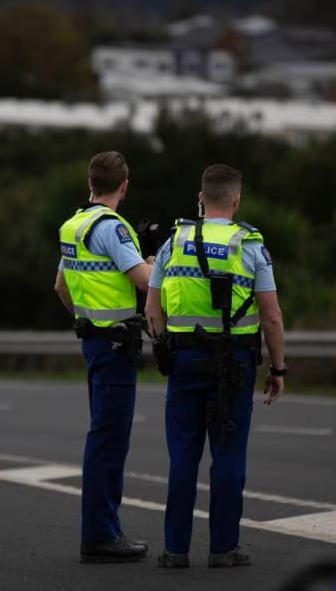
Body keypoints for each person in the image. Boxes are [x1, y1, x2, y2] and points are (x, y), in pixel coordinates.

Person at [145, 163, 287, 568]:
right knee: (228, 454)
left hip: (184, 360)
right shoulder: (250, 246)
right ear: (237, 200)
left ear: (201, 198)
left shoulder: (174, 242)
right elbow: (272, 317)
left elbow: (152, 308)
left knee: (183, 456)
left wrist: (161, 348)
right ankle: (224, 549)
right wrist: (278, 370)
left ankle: (175, 550)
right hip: (235, 363)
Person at [54, 150, 153, 563]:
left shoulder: (73, 224)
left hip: (94, 341)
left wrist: (87, 319)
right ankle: (100, 535)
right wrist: (154, 262)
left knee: (103, 434)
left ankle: (103, 530)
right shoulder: (113, 228)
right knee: (109, 440)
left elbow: (60, 287)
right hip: (115, 345)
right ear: (124, 185)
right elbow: (144, 282)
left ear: (90, 182)